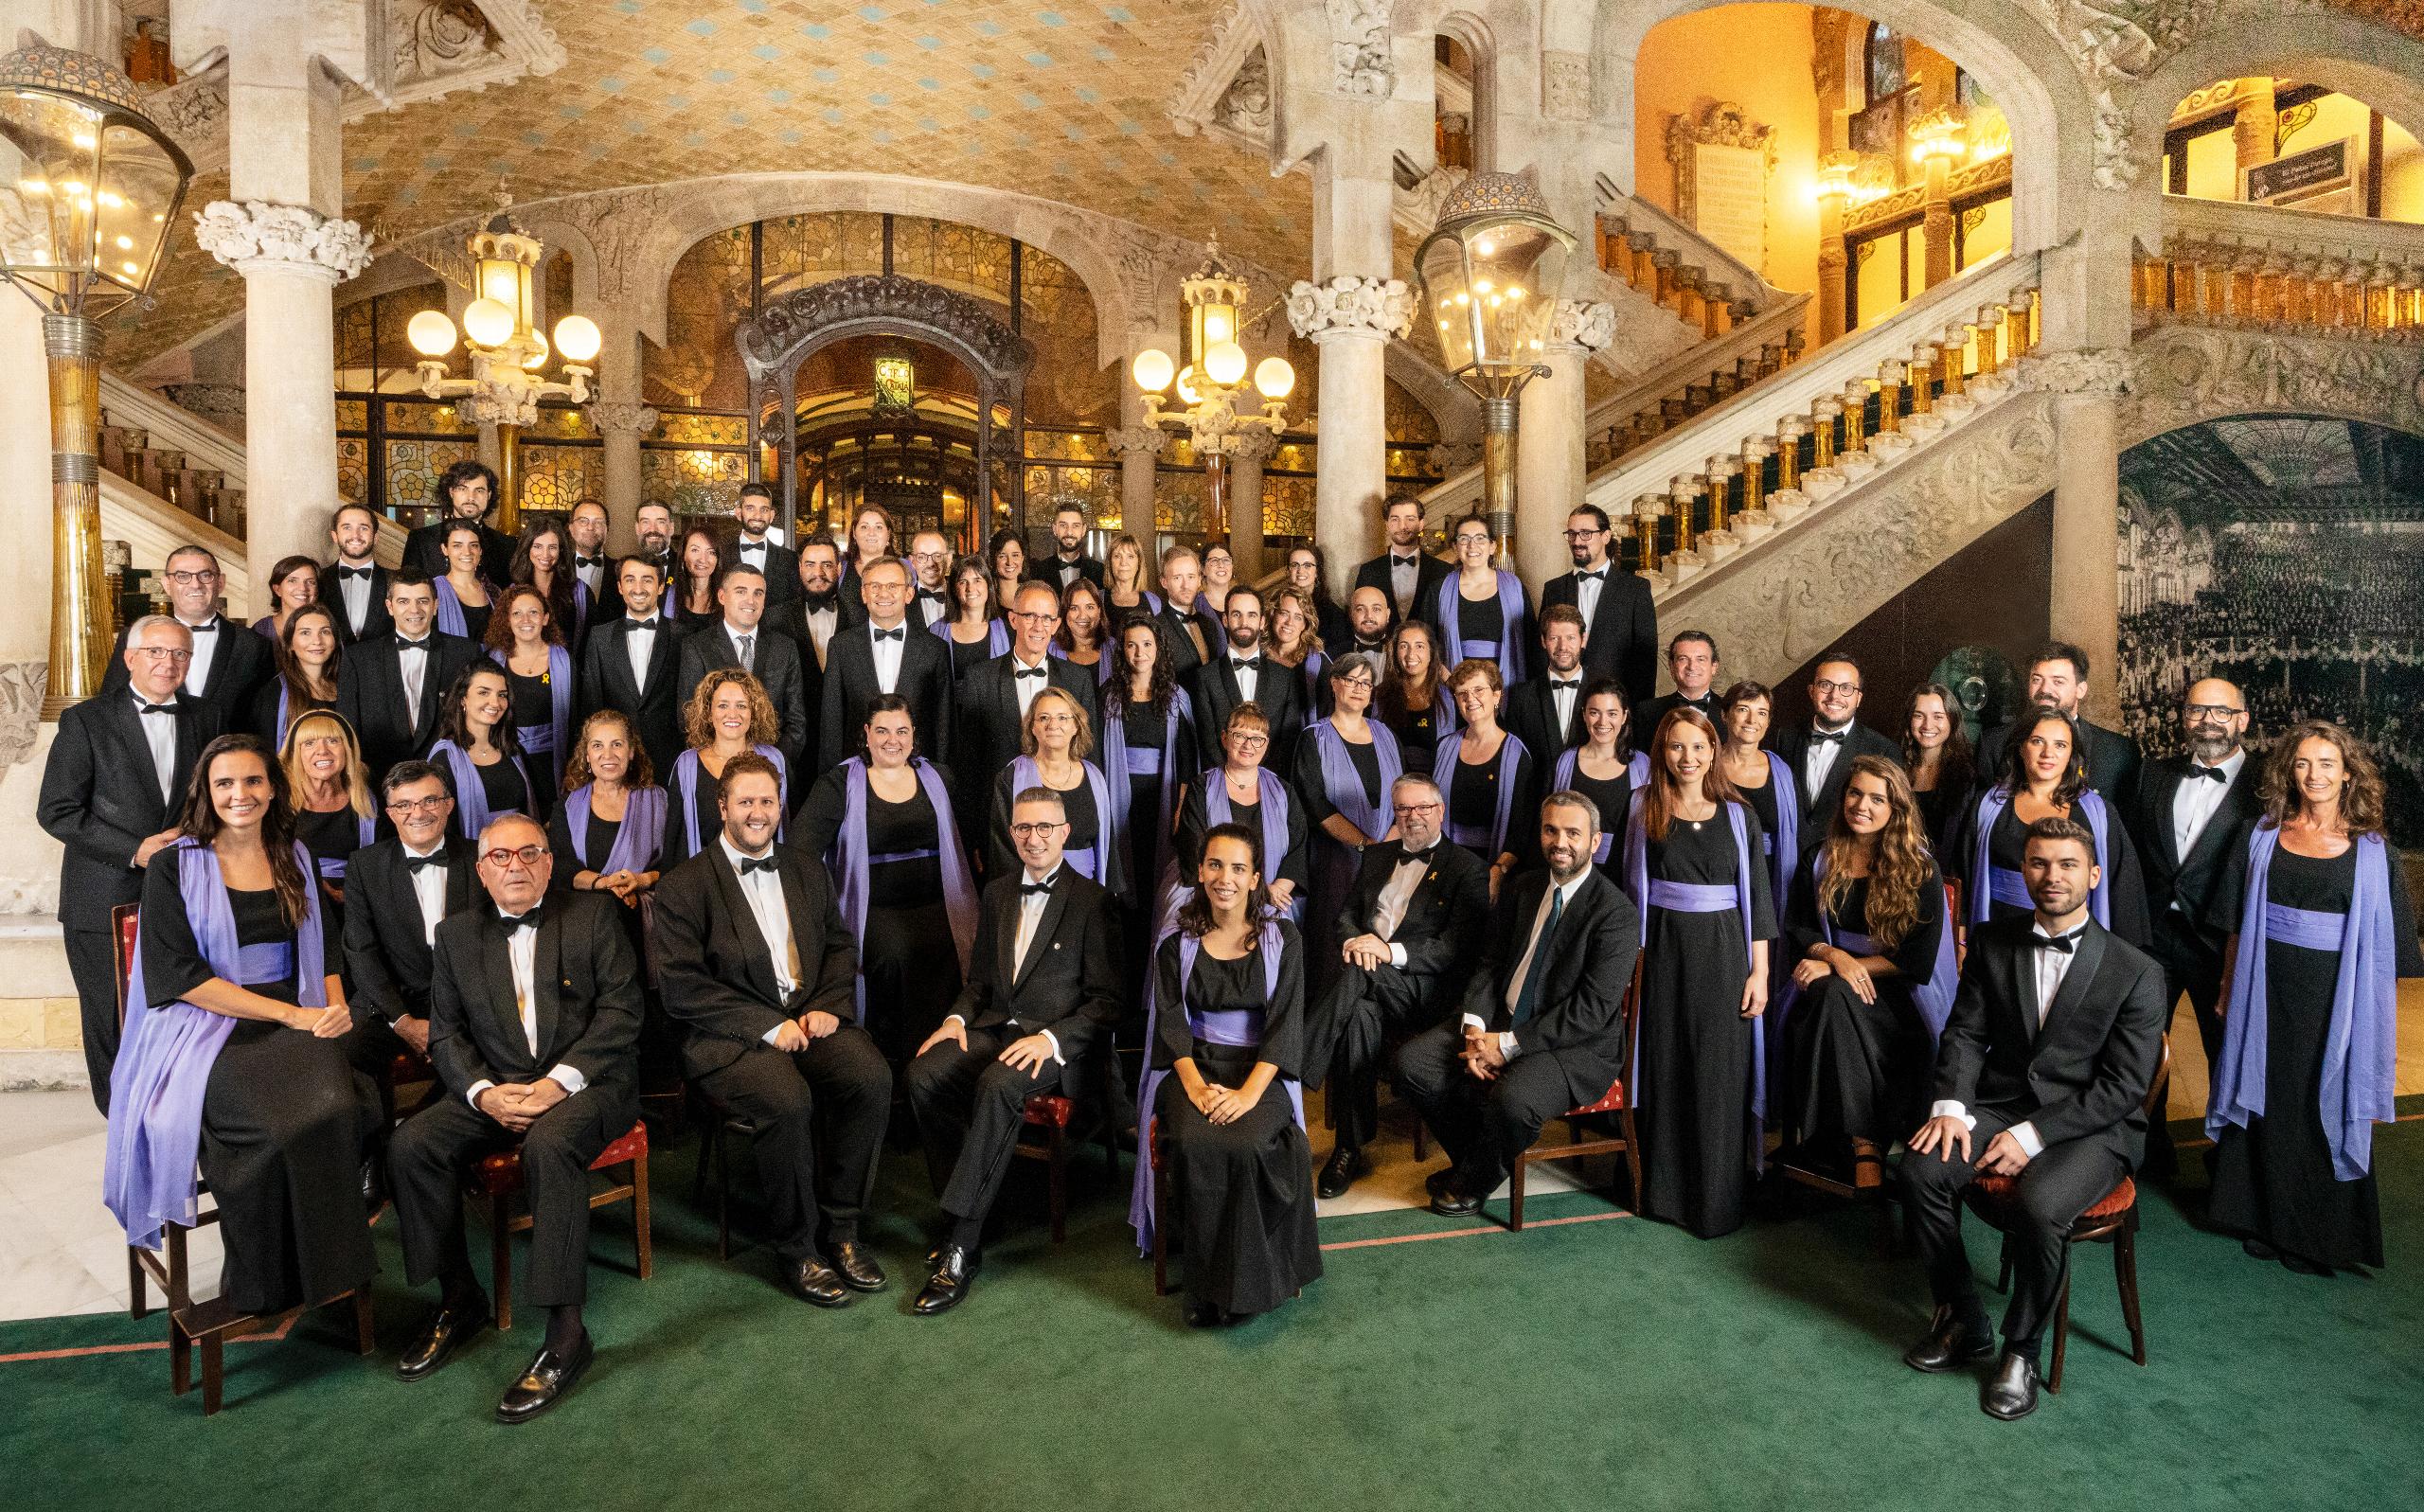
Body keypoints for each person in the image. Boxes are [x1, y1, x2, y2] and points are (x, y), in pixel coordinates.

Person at [102, 736, 377, 1326]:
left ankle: (329, 1280)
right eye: (225, 783)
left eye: (252, 781)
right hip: (204, 1023)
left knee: (337, 1107)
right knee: (273, 1131)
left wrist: (334, 1006)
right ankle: (259, 1278)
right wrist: (291, 1016)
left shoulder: (293, 854)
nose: (240, 794)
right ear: (206, 791)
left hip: (295, 1008)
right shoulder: (174, 864)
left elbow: (325, 946)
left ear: (273, 788)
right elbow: (178, 976)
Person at [1900, 816, 2165, 1422]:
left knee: (2040, 1204)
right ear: (2025, 871)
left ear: (2093, 876)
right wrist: (1950, 1108)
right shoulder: (1995, 942)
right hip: (2005, 1103)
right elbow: (1965, 1032)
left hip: (2095, 1127)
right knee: (1920, 1170)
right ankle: (1964, 1317)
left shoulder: (2137, 971)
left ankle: (2022, 1351)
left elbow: (2123, 1086)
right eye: (2040, 863)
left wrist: (2034, 1134)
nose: (2053, 876)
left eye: (2068, 865)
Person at [387, 813, 643, 1421]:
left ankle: (566, 1336)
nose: (516, 867)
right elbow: (446, 1035)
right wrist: (483, 1094)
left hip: (590, 1083)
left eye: (529, 854)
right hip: (497, 1085)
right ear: (481, 871)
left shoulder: (594, 915)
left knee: (549, 1148)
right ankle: (459, 1298)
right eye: (500, 857)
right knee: (410, 1145)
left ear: (550, 862)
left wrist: (558, 1084)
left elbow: (623, 1014)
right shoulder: (454, 936)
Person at [651, 754, 891, 1306]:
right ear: (722, 807)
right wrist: (766, 1026)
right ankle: (799, 1248)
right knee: (786, 1100)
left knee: (870, 1078)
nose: (757, 813)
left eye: (766, 801)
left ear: (780, 805)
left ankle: (843, 1230)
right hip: (730, 1036)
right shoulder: (685, 886)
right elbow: (683, 988)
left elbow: (837, 943)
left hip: (810, 1015)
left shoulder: (807, 865)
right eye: (745, 802)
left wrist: (831, 1002)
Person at [2207, 721, 2423, 1275]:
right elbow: (2234, 924)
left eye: (2327, 764)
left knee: (2321, 1097)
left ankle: (2319, 1232)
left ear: (2348, 773)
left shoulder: (2374, 853)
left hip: (2336, 996)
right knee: (2269, 1097)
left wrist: (2374, 1024)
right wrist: (2229, 988)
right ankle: (2264, 1218)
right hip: (2265, 985)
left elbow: (2392, 951)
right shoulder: (2258, 836)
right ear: (2288, 771)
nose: (2314, 775)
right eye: (2303, 763)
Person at [903, 786, 1121, 1314]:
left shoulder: (1094, 901)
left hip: (1054, 1043)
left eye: (1045, 827)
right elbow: (979, 982)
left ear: (1065, 833)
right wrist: (954, 1020)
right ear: (1012, 833)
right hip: (996, 1027)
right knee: (923, 1074)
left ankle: (962, 1243)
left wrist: (1050, 1040)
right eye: (1024, 828)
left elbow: (1106, 1003)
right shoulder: (998, 893)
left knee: (999, 1084)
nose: (1034, 838)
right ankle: (975, 1203)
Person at [1397, 792, 1642, 1218]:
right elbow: (1491, 962)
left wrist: (1506, 1045)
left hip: (1573, 1047)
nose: (1559, 842)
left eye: (1572, 833)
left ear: (1595, 841)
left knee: (1513, 1102)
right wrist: (1475, 1028)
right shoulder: (1525, 887)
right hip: (1500, 1020)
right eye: (1551, 830)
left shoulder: (1616, 913)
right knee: (1412, 1064)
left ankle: (1475, 1178)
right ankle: (1476, 1161)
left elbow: (1589, 1011)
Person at [1137, 824, 1320, 1325]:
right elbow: (1171, 1024)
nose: (1225, 878)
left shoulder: (1284, 938)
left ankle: (1248, 1286)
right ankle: (1206, 1287)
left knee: (1245, 1145)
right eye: (1215, 865)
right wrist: (1197, 1087)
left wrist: (1244, 1095)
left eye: (1239, 868)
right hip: (1191, 1068)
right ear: (1199, 871)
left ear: (1256, 877)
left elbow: (1284, 1027)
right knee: (1197, 1144)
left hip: (1261, 1072)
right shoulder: (1176, 940)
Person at [40, 615, 223, 1110]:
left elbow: (215, 797)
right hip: (102, 896)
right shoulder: (87, 720)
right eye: (156, 652)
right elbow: (56, 811)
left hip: (184, 891)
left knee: (177, 1005)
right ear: (130, 659)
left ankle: (170, 1113)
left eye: (180, 654)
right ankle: (119, 1114)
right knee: (110, 1013)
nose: (169, 663)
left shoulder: (208, 717)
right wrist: (135, 849)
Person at [1626, 706, 1777, 1239]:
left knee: (1718, 1071)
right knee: (1666, 1064)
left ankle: (1717, 1203)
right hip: (1663, 950)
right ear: (1661, 753)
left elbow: (1758, 900)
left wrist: (1759, 973)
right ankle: (1664, 1196)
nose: (1687, 758)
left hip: (1724, 953)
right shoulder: (1644, 807)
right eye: (1675, 747)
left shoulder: (1739, 814)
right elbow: (1632, 890)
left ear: (1714, 751)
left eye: (1698, 747)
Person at [1773, 757, 1954, 1188]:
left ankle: (1844, 1140)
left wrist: (1847, 965)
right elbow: (1797, 924)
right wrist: (1834, 956)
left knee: (1833, 999)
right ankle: (1864, 1144)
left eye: (1877, 798)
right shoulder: (1819, 857)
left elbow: (1917, 962)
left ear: (1896, 808)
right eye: (1855, 793)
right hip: (1832, 985)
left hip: (1900, 996)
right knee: (1832, 998)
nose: (1862, 805)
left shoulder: (1920, 868)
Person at [1304, 774, 1488, 1198]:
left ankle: (1291, 1071)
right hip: (1369, 983)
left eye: (1423, 807)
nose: (1413, 817)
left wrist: (1388, 953)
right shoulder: (1377, 857)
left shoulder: (1468, 869)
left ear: (1440, 811)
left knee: (1357, 975)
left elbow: (1452, 951)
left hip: (1425, 991)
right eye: (1403, 809)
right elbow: (1346, 917)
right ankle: (1348, 1148)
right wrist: (1355, 941)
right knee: (1358, 1019)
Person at [797, 696, 980, 1063]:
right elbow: (800, 851)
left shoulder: (939, 776)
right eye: (881, 730)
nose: (891, 740)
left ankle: (939, 1067)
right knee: (896, 954)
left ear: (913, 736)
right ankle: (897, 1066)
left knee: (959, 952)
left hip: (939, 904)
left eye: (901, 730)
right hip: (874, 911)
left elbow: (967, 837)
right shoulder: (839, 783)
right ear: (866, 734)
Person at [2124, 677, 2261, 1070]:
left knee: (2227, 1055)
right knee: (2141, 1054)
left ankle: (2230, 1134)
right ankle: (2150, 1134)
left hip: (2220, 944)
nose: (2208, 720)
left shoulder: (2266, 787)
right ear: (2184, 718)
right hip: (2152, 938)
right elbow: (2131, 853)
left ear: (2243, 720)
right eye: (2196, 710)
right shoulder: (2152, 774)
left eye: (2222, 711)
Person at [1947, 708, 2149, 950]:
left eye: (2060, 745)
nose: (2048, 753)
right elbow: (1962, 874)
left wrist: (2123, 958)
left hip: (2073, 940)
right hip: (1998, 939)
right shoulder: (1987, 806)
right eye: (2037, 741)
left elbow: (2123, 888)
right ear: (2022, 748)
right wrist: (1958, 941)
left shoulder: (2099, 813)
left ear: (2072, 753)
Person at [342, 760, 476, 1085]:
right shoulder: (365, 866)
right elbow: (361, 951)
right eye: (404, 804)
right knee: (350, 1046)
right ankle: (380, 1135)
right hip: (392, 999)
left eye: (429, 800)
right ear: (390, 813)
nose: (418, 813)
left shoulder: (480, 857)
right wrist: (401, 1021)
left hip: (468, 998)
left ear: (448, 805)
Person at [954, 581, 1100, 834]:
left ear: (1056, 624)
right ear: (1012, 619)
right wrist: (973, 835)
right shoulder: (980, 678)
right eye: (1030, 615)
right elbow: (969, 766)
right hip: (999, 822)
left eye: (1046, 618)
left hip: (1064, 821)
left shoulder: (1077, 679)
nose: (1038, 626)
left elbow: (1089, 755)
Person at [1292, 653, 1401, 989]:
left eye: (1365, 683)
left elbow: (1403, 796)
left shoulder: (1386, 734)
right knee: (1334, 943)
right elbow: (1314, 805)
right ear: (1335, 684)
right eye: (1351, 681)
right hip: (1334, 860)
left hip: (1388, 856)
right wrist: (1366, 846)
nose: (1358, 689)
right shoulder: (1314, 738)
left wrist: (1386, 847)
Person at [546, 712, 666, 996]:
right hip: (587, 924)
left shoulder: (660, 799)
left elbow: (678, 861)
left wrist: (642, 879)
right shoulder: (566, 806)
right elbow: (561, 868)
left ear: (632, 751)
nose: (607, 754)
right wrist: (606, 882)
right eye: (597, 745)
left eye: (617, 744)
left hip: (646, 919)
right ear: (586, 755)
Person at [1101, 618, 1197, 971]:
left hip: (1162, 800)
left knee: (1157, 880)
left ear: (1159, 649)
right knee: (1125, 882)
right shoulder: (1108, 695)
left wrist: (1180, 807)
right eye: (1130, 645)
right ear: (1122, 650)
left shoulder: (1176, 697)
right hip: (1119, 801)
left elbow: (1188, 760)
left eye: (1146, 644)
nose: (1139, 652)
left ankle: (1153, 968)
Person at [336, 570, 483, 783]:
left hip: (448, 777)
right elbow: (347, 729)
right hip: (379, 781)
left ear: (435, 605)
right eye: (404, 601)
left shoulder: (465, 653)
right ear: (389, 606)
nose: (414, 609)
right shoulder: (358, 658)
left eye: (423, 601)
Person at [100, 543, 271, 725]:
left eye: (205, 575)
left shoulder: (253, 644)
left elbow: (264, 718)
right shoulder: (135, 636)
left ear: (220, 582)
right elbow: (111, 704)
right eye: (182, 576)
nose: (195, 585)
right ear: (167, 584)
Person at [819, 555, 952, 774]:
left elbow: (943, 725)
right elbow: (831, 724)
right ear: (863, 593)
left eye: (893, 586)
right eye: (875, 586)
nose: (883, 594)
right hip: (858, 774)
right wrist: (834, 782)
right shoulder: (841, 647)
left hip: (918, 775)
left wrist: (941, 778)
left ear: (909, 594)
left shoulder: (935, 649)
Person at [988, 685, 1123, 899]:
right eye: (1043, 718)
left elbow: (1108, 847)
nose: (1053, 725)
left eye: (1062, 718)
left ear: (1076, 726)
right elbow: (1003, 852)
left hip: (1087, 894)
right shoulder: (1011, 777)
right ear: (1032, 727)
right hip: (1031, 895)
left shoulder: (1094, 777)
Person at [675, 563, 810, 776]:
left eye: (758, 593)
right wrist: (721, 765)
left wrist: (771, 764)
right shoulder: (696, 646)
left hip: (773, 773)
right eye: (741, 592)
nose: (751, 600)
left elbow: (796, 721)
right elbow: (689, 717)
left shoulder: (785, 647)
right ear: (721, 596)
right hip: (717, 773)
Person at [1175, 703, 1307, 917]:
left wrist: (1276, 890)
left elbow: (1297, 851)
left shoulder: (1284, 791)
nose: (1248, 745)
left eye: (1257, 739)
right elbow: (1193, 847)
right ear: (1225, 738)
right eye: (1239, 736)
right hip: (1212, 893)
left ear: (1266, 745)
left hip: (1272, 896)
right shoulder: (1200, 787)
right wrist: (1246, 891)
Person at [1974, 642, 2142, 806]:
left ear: (2080, 690)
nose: (2045, 690)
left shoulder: (2119, 752)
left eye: (2058, 681)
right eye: (2037, 680)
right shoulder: (1994, 744)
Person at [1718, 682, 1803, 1000]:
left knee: (1762, 966)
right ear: (1725, 715)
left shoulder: (1781, 771)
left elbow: (1796, 837)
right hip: (1718, 877)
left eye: (1761, 713)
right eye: (1743, 709)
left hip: (1769, 881)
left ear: (1768, 722)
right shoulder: (1704, 764)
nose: (1752, 719)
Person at [661, 668, 789, 867]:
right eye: (722, 706)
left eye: (741, 706)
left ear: (753, 712)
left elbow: (786, 832)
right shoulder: (687, 766)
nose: (732, 714)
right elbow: (674, 845)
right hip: (704, 882)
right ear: (708, 712)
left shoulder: (775, 760)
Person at [1432, 658, 1537, 893]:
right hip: (1444, 864)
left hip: (1496, 869)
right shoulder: (1443, 747)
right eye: (1462, 693)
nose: (1471, 699)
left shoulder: (1518, 755)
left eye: (1479, 690)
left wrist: (1500, 869)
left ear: (1497, 695)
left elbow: (1522, 828)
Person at [1539, 504, 1658, 708]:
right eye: (1572, 534)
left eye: (1586, 534)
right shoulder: (1554, 589)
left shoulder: (1636, 589)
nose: (1577, 541)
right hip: (1562, 703)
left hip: (1614, 707)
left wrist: (1635, 713)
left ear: (1605, 536)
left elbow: (1645, 661)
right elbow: (1540, 652)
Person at [578, 556, 683, 782]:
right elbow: (592, 704)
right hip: (615, 759)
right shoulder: (600, 637)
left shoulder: (684, 636)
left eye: (647, 580)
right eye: (630, 580)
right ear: (619, 587)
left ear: (661, 587)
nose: (638, 588)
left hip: (670, 759)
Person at [1768, 651, 1900, 830]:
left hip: (1847, 854)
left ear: (1858, 698)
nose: (1834, 696)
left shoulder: (1883, 751)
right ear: (1811, 691)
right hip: (1789, 854)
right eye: (1825, 685)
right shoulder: (1784, 737)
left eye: (1846, 688)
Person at [277, 710, 381, 936]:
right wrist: (315, 886)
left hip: (357, 901)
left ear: (347, 749)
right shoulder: (279, 802)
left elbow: (379, 862)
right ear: (296, 753)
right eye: (309, 743)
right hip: (295, 902)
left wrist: (352, 892)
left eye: (333, 741)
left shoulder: (368, 800)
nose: (322, 750)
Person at [1189, 583, 1308, 770]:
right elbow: (1207, 742)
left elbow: (1288, 742)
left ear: (1261, 622)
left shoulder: (1286, 678)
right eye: (1237, 614)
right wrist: (1232, 781)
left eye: (1251, 615)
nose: (1244, 622)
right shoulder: (1204, 677)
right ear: (1225, 619)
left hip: (1271, 782)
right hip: (1221, 782)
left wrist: (1264, 780)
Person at [426, 665, 549, 841]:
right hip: (469, 858)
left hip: (521, 855)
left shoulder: (514, 750)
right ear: (463, 699)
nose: (495, 703)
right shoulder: (444, 757)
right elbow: (442, 827)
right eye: (484, 693)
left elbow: (539, 809)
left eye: (502, 695)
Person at [1551, 679, 1646, 886]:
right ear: (1584, 715)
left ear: (1624, 716)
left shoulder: (1643, 765)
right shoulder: (1565, 762)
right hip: (1572, 869)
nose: (1603, 722)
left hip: (1626, 871)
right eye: (1595, 712)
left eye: (1612, 713)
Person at [485, 583, 576, 788]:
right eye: (517, 613)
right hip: (505, 760)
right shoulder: (492, 661)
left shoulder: (565, 661)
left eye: (533, 612)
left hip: (553, 765)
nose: (525, 620)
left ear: (545, 618)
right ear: (507, 620)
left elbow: (576, 718)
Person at [1433, 515, 1531, 687]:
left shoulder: (1515, 587)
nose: (1472, 546)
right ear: (1455, 547)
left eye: (1480, 538)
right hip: (1454, 684)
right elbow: (1425, 642)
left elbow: (1531, 642)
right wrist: (1449, 680)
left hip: (1507, 685)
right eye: (1464, 539)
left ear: (1492, 546)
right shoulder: (1438, 589)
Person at [1503, 605, 1591, 764]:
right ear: (1543, 641)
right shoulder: (1520, 697)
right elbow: (1514, 759)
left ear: (1583, 639)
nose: (1563, 647)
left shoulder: (1605, 693)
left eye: (1570, 638)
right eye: (1554, 638)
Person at [402, 459, 512, 585]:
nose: (471, 497)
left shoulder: (507, 546)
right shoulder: (421, 540)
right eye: (463, 489)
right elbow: (407, 590)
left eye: (480, 490)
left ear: (489, 495)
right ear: (451, 492)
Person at [253, 602, 344, 745]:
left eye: (325, 631)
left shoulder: (349, 686)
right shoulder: (273, 694)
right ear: (290, 644)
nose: (317, 641)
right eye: (305, 633)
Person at [1354, 493, 1450, 628]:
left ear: (1421, 524)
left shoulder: (1443, 571)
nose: (1402, 526)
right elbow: (1359, 619)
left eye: (1410, 519)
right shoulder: (1368, 571)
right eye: (1395, 519)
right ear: (1387, 525)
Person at [1903, 682, 1975, 850]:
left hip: (1940, 873)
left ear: (1952, 721)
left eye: (1938, 716)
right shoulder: (1895, 766)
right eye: (1919, 715)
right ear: (1909, 720)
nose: (1928, 725)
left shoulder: (1966, 777)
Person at [1376, 618, 1453, 774]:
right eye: (1404, 646)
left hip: (1435, 785)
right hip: (1392, 784)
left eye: (1419, 646)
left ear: (1431, 653)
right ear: (1395, 652)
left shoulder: (1450, 699)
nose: (1411, 654)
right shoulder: (1380, 696)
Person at [511, 520, 590, 654]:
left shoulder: (580, 591)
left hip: (568, 669)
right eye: (537, 546)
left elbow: (589, 642)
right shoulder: (513, 592)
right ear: (527, 548)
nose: (545, 555)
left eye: (552, 547)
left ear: (561, 551)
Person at [318, 503, 391, 645]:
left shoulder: (395, 581)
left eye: (363, 528)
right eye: (347, 527)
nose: (355, 535)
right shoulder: (318, 580)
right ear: (335, 536)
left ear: (376, 537)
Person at [934, 552, 1010, 683]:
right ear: (954, 589)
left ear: (989, 586)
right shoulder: (935, 632)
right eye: (963, 582)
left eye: (977, 580)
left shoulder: (1009, 632)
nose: (970, 588)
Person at [1151, 546, 1221, 683]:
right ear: (1164, 582)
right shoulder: (1155, 627)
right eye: (1177, 578)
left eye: (1191, 577)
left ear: (1200, 580)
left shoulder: (1209, 624)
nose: (1186, 585)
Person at [728, 482, 800, 614]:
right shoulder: (721, 554)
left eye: (764, 510)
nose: (758, 516)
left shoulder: (790, 559)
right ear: (739, 513)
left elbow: (795, 607)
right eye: (750, 508)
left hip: (776, 633)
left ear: (771, 516)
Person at [1633, 631, 1721, 738]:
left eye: (1700, 659)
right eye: (1683, 659)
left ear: (1714, 667)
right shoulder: (1646, 712)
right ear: (1671, 666)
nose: (1692, 666)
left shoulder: (1730, 711)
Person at [789, 537, 848, 680]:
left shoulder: (859, 617)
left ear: (839, 569)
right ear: (800, 568)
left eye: (827, 565)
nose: (818, 573)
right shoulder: (776, 618)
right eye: (810, 565)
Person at [431, 521, 497, 645]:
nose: (467, 552)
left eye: (474, 545)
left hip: (493, 663)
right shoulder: (432, 590)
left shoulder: (493, 591)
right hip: (450, 663)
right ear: (445, 549)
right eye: (457, 545)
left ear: (480, 550)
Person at [1267, 588, 1329, 719]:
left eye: (1298, 617)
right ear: (1273, 615)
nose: (1289, 622)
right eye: (1284, 613)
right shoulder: (1258, 655)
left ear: (1304, 625)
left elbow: (1328, 713)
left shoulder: (1319, 664)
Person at [1283, 543, 1353, 655]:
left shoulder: (1333, 614)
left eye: (1307, 565)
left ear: (1317, 572)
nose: (1300, 571)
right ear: (1288, 571)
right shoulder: (1277, 606)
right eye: (1295, 565)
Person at [1054, 577, 1115, 687]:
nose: (1082, 615)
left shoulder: (1114, 648)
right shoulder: (1050, 649)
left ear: (1099, 611)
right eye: (1074, 608)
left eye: (1089, 607)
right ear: (1064, 613)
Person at [838, 505, 898, 616]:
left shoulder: (904, 569)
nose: (871, 533)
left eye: (878, 527)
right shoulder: (840, 568)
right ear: (854, 533)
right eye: (864, 527)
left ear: (888, 534)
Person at [1036, 500, 1104, 592]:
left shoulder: (1099, 571)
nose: (1069, 532)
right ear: (1055, 529)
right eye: (1063, 525)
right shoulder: (1039, 571)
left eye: (1075, 526)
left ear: (1083, 530)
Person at [252, 554, 320, 643]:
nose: (303, 588)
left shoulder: (329, 627)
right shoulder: (261, 630)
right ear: (277, 589)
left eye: (311, 582)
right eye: (292, 581)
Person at [1103, 532, 1163, 622]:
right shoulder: (1098, 599)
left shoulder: (1154, 602)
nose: (1123, 563)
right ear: (1110, 563)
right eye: (1117, 556)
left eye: (1130, 557)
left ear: (1139, 563)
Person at [669, 525, 722, 626]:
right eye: (695, 550)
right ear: (683, 555)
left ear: (718, 558)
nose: (703, 559)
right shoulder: (671, 595)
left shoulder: (727, 596)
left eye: (711, 552)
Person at [565, 501, 613, 606]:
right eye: (583, 521)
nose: (590, 527)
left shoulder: (621, 571)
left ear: (607, 530)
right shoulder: (558, 570)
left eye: (598, 522)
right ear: (571, 528)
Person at [906, 529, 956, 629]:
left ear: (949, 559)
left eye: (937, 556)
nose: (930, 564)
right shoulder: (900, 601)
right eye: (921, 557)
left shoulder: (962, 597)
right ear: (912, 562)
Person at [987, 528, 1029, 616]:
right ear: (993, 560)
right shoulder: (986, 598)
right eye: (1002, 556)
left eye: (1015, 555)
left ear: (1022, 559)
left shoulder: (1032, 594)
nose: (1009, 562)